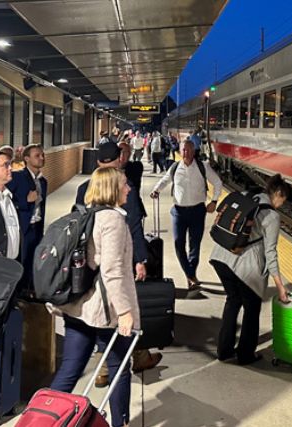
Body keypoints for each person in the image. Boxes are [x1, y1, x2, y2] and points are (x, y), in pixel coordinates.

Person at [47, 167, 139, 427]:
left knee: (69, 370)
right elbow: (112, 271)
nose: (129, 189)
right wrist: (124, 311)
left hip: (77, 306)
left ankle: (46, 418)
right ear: (112, 188)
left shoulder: (85, 214)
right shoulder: (113, 220)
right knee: (120, 368)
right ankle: (120, 424)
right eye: (124, 184)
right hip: (103, 310)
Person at [74, 142, 162, 382]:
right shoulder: (121, 185)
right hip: (115, 263)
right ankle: (114, 365)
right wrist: (140, 260)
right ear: (119, 158)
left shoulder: (84, 187)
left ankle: (117, 362)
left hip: (91, 263)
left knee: (102, 311)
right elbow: (132, 225)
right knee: (121, 312)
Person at [209, 174, 291, 365]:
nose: (281, 205)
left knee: (233, 300)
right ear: (277, 194)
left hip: (220, 257)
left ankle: (224, 351)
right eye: (282, 200)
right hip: (243, 267)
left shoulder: (247, 195)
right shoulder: (272, 216)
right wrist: (280, 286)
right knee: (252, 307)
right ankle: (246, 354)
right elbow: (271, 253)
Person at [149, 139, 224, 295]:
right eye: (183, 150)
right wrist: (156, 190)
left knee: (195, 245)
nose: (186, 153)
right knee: (178, 244)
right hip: (179, 212)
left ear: (194, 151)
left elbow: (217, 182)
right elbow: (165, 180)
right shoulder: (175, 167)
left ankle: (191, 275)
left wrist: (214, 201)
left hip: (198, 211)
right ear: (180, 151)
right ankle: (190, 274)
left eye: (188, 150)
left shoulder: (203, 167)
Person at [6, 144, 47, 293]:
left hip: (36, 227)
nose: (42, 158)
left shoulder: (43, 181)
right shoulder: (17, 177)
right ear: (26, 159)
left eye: (42, 155)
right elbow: (6, 202)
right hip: (22, 227)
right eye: (37, 155)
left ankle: (30, 290)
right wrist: (25, 201)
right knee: (21, 261)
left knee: (33, 261)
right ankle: (19, 293)